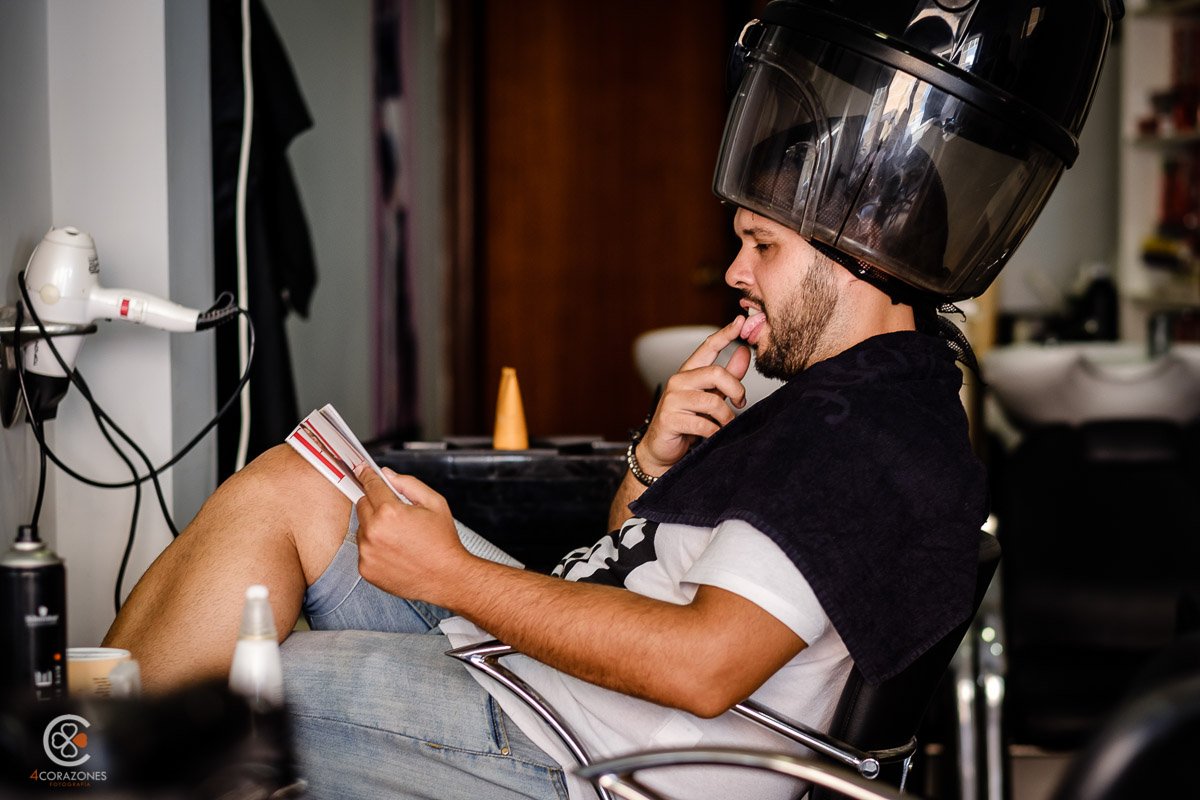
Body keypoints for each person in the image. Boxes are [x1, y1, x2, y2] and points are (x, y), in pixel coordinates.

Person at [105, 1, 1120, 798]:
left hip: (575, 756)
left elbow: (704, 664)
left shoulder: (867, 434)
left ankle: (73, 766)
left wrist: (451, 574)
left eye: (762, 245)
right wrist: (652, 464)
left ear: (860, 251)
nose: (735, 272)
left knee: (215, 687)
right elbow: (644, 568)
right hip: (552, 689)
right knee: (293, 485)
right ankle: (71, 750)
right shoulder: (846, 398)